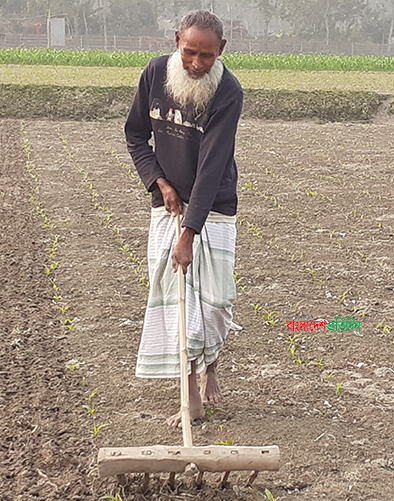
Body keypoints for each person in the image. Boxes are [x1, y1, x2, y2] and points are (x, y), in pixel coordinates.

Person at [125, 9, 243, 428]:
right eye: (190, 52)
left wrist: (189, 234)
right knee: (175, 298)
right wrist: (159, 182)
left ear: (221, 51)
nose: (196, 63)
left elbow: (212, 165)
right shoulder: (155, 74)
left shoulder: (227, 91)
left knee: (215, 303)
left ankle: (211, 364)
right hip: (168, 202)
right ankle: (189, 394)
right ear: (177, 40)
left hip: (214, 204)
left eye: (206, 56)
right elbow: (135, 134)